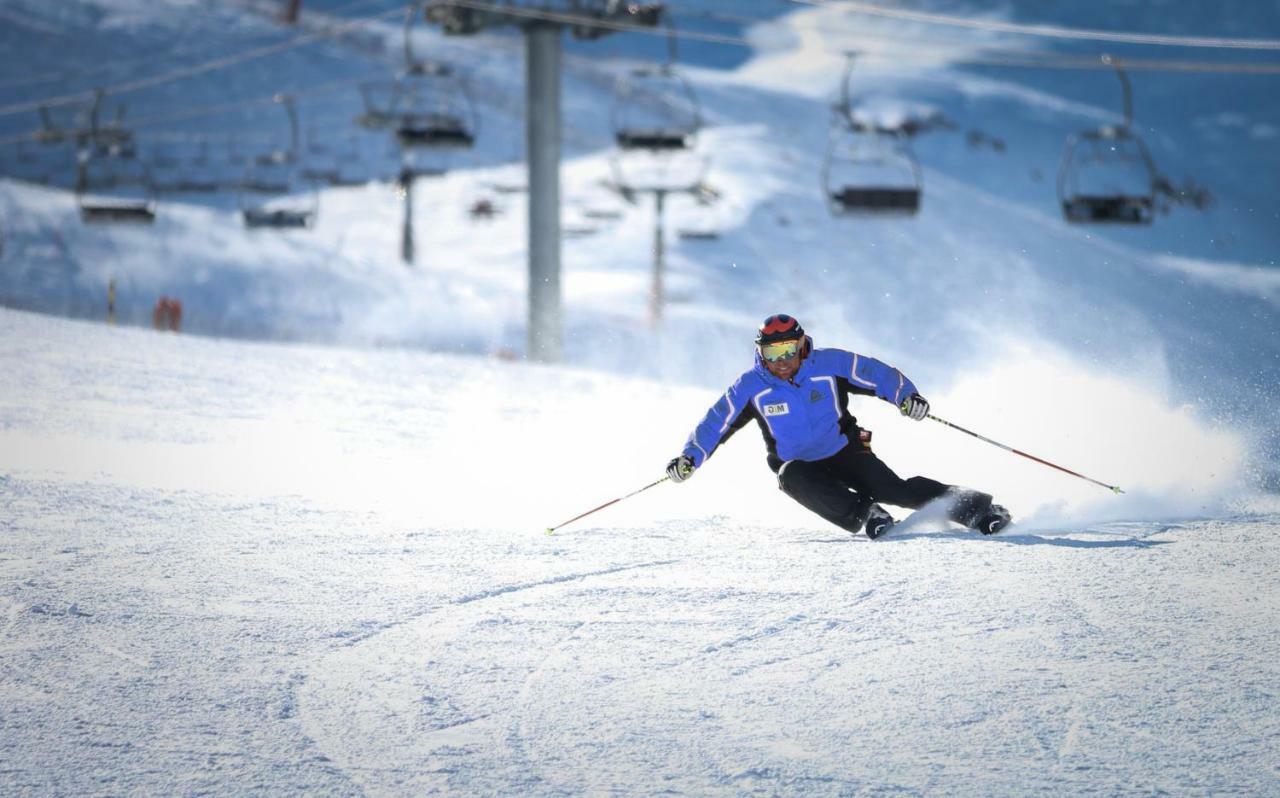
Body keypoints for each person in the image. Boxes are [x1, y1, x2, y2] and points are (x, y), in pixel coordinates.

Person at [665, 314, 1011, 538]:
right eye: (772, 354)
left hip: (845, 450)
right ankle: (868, 515)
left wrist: (906, 396)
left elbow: (877, 374)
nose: (781, 362)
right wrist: (689, 458)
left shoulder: (828, 364)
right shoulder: (751, 387)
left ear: (802, 345)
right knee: (789, 477)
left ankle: (981, 510)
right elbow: (715, 423)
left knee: (897, 489)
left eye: (788, 350)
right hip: (803, 467)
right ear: (760, 354)